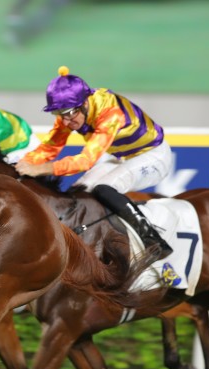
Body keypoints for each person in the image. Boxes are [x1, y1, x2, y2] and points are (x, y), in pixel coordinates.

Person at [15, 66, 173, 261]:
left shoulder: (110, 112)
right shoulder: (69, 112)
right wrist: (21, 164)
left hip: (153, 155)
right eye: (59, 114)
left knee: (104, 188)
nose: (65, 122)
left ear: (84, 104)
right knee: (78, 193)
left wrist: (39, 169)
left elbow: (85, 161)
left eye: (69, 114)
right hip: (121, 155)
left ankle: (153, 240)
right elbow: (50, 147)